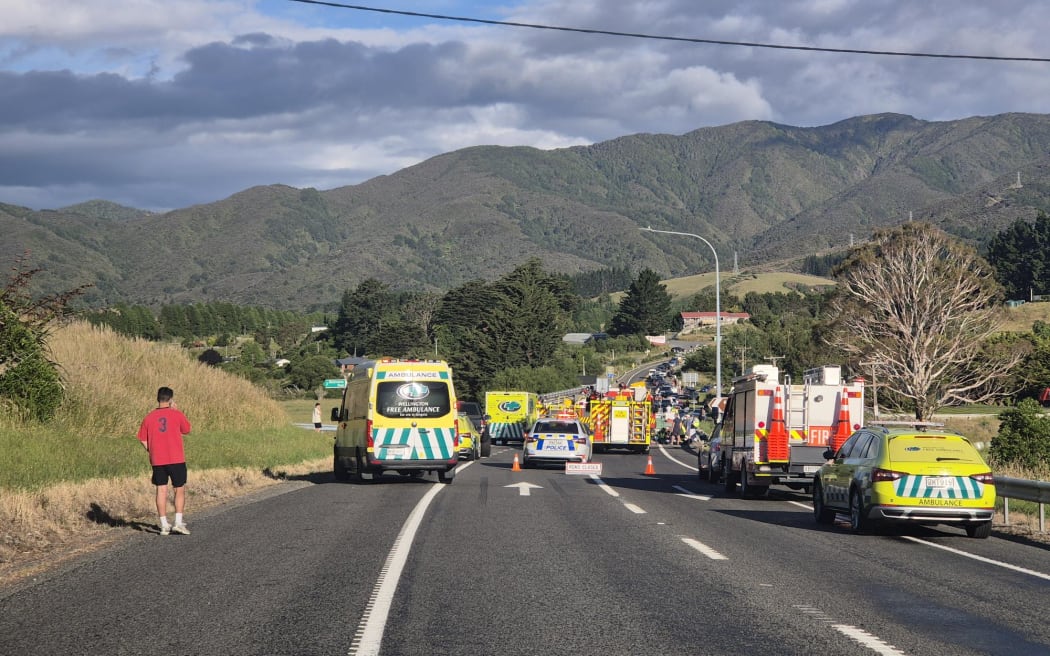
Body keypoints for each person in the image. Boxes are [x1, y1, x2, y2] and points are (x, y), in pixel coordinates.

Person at [137, 386, 192, 536]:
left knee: (161, 489)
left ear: (158, 398)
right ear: (171, 399)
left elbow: (142, 438)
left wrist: (151, 450)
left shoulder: (149, 417)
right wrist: (176, 410)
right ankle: (178, 522)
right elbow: (187, 429)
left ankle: (163, 524)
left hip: (158, 459)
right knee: (178, 489)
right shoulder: (176, 414)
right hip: (176, 457)